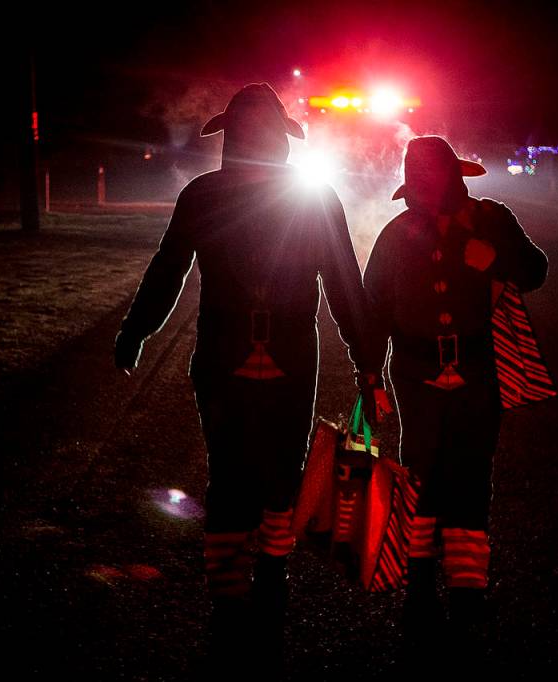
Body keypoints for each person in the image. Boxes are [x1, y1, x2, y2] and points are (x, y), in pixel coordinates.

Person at [113, 82, 386, 676]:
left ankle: (264, 575)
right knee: (235, 478)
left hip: (284, 357)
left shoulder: (311, 201)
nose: (254, 139)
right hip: (226, 357)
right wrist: (136, 328)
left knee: (276, 480)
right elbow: (168, 270)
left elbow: (343, 284)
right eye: (248, 131)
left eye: (262, 132)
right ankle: (236, 591)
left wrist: (369, 362)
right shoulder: (205, 197)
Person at [362, 135, 549, 672]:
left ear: (453, 175)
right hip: (417, 374)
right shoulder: (396, 235)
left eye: (431, 174)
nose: (424, 184)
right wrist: (370, 376)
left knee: (470, 479)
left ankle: (467, 590)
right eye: (415, 174)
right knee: (422, 479)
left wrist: (496, 260)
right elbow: (375, 309)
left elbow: (535, 270)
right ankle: (419, 590)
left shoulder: (491, 220)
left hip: (476, 369)